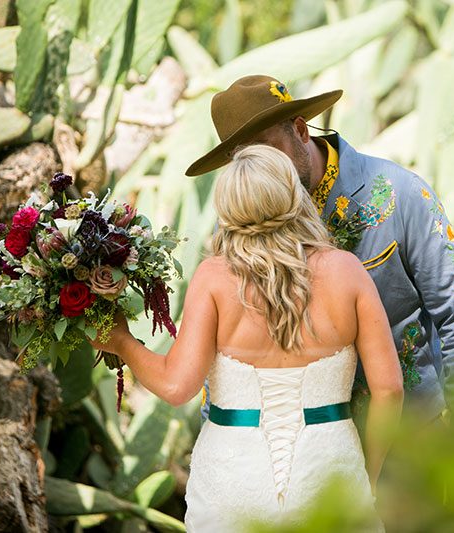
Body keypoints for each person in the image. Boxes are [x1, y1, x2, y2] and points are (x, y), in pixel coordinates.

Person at [91, 145, 404, 531]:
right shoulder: (346, 271)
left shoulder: (214, 277)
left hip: (232, 480)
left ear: (228, 207)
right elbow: (389, 390)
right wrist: (366, 479)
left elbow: (176, 386)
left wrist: (122, 342)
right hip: (330, 472)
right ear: (293, 196)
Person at [186, 75, 454, 430]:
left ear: (301, 131)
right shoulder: (237, 227)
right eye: (246, 159)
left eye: (269, 150)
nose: (264, 170)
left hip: (411, 438)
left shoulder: (400, 193)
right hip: (300, 452)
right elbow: (222, 349)